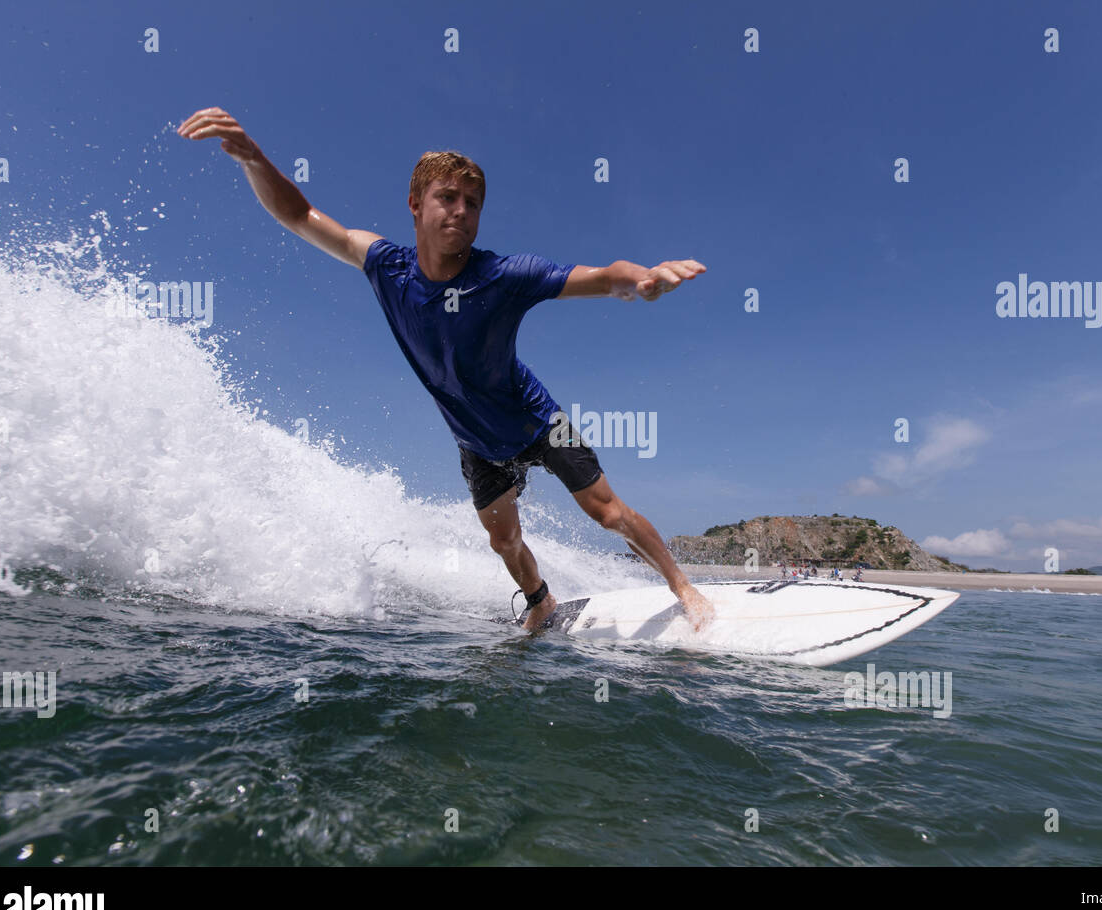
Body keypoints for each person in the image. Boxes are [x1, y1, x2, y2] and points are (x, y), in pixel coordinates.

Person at [177, 107, 715, 633]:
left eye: (473, 203)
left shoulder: (504, 275)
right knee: (503, 541)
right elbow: (300, 216)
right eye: (448, 197)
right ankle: (541, 601)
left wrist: (643, 278)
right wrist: (254, 160)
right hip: (475, 442)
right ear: (416, 204)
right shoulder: (386, 267)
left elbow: (599, 277)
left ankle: (683, 588)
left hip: (535, 419)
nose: (461, 210)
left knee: (607, 513)